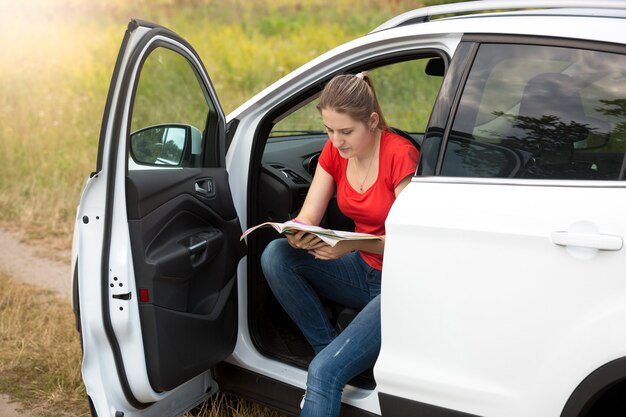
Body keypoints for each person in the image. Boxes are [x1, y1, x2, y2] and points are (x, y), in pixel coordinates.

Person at [260, 72, 419, 417]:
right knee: (277, 256)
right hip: (359, 268)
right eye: (329, 130)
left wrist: (346, 246)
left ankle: (330, 366)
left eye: (346, 132)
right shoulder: (334, 152)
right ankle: (330, 349)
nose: (336, 141)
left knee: (323, 373)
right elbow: (309, 215)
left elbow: (413, 246)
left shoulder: (400, 156)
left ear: (372, 121)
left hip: (398, 286)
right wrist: (297, 231)